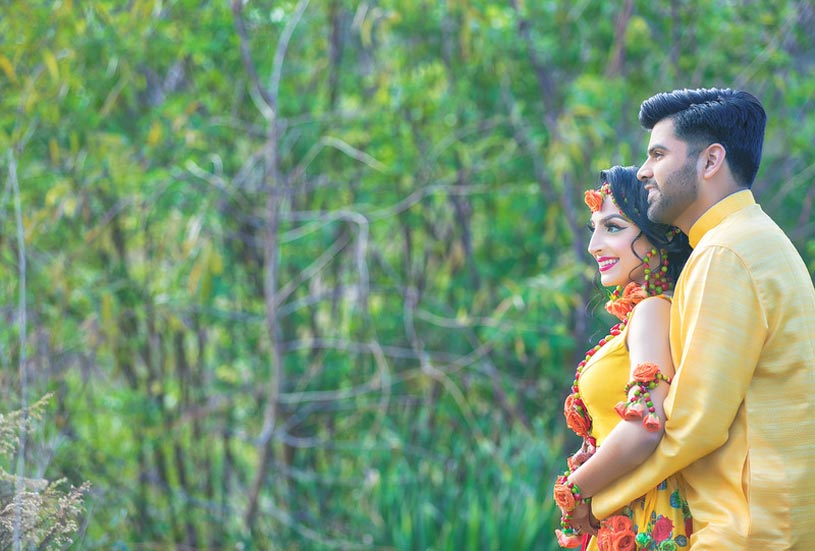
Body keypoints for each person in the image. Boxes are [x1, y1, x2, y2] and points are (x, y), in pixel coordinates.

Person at [588, 88, 815, 549]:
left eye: (657, 154)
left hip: (746, 531)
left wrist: (593, 496)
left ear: (710, 161)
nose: (645, 171)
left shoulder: (726, 252)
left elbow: (693, 424)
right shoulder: (753, 239)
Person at [553, 165, 694, 550]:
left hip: (641, 517)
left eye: (613, 228)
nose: (594, 245)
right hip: (625, 508)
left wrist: (573, 493)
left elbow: (644, 427)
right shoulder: (649, 314)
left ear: (659, 238)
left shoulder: (653, 311)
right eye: (594, 229)